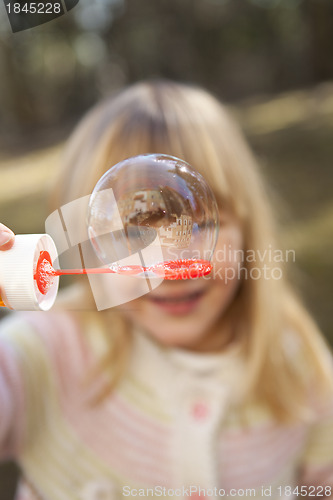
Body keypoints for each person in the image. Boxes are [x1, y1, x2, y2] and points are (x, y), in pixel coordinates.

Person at [0, 80, 333, 500]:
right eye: (132, 231)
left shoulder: (296, 361)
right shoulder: (41, 349)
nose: (169, 265)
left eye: (204, 223)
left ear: (249, 229)